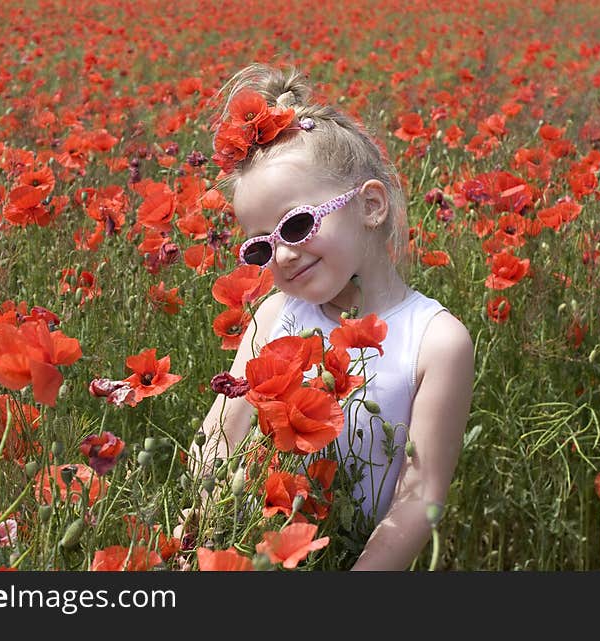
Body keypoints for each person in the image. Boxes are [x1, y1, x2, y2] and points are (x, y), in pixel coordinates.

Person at [192, 63, 474, 571]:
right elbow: (217, 438)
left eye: (297, 225)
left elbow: (421, 496)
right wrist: (208, 547)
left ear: (370, 205)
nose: (280, 257)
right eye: (260, 247)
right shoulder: (276, 313)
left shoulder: (436, 341)